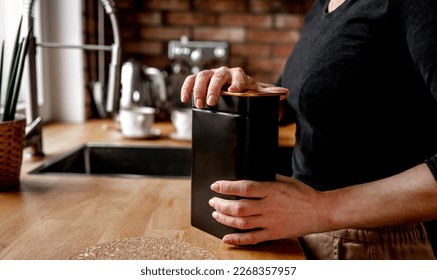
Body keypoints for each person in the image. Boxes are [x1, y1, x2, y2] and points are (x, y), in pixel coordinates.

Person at [180, 0, 437, 260]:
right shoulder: (323, 6)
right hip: (303, 233)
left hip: (371, 246)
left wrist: (319, 208)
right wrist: (242, 92)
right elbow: (296, 101)